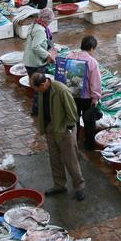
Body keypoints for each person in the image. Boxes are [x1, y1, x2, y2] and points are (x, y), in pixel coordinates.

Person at [31, 72, 86, 200]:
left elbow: (72, 113)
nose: (36, 91)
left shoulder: (61, 90)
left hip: (64, 130)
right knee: (54, 158)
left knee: (70, 160)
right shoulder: (41, 91)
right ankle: (59, 185)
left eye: (37, 88)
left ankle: (79, 186)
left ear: (44, 83)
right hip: (50, 129)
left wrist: (67, 129)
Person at [66, 35, 102, 150]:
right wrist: (96, 97)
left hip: (71, 94)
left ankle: (74, 142)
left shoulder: (70, 56)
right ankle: (89, 145)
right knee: (89, 122)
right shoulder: (92, 62)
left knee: (74, 119)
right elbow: (95, 82)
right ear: (91, 48)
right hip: (86, 98)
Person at [23, 8, 56, 76]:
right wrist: (48, 56)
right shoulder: (40, 30)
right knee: (38, 84)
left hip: (29, 61)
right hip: (35, 64)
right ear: (47, 21)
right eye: (50, 21)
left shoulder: (34, 24)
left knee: (33, 83)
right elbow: (35, 47)